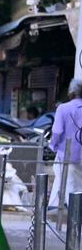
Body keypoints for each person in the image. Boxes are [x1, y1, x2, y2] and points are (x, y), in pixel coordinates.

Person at [49, 78, 82, 207]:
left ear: (71, 92)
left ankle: (68, 210)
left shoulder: (63, 108)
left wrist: (53, 146)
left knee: (67, 182)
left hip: (67, 154)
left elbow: (57, 131)